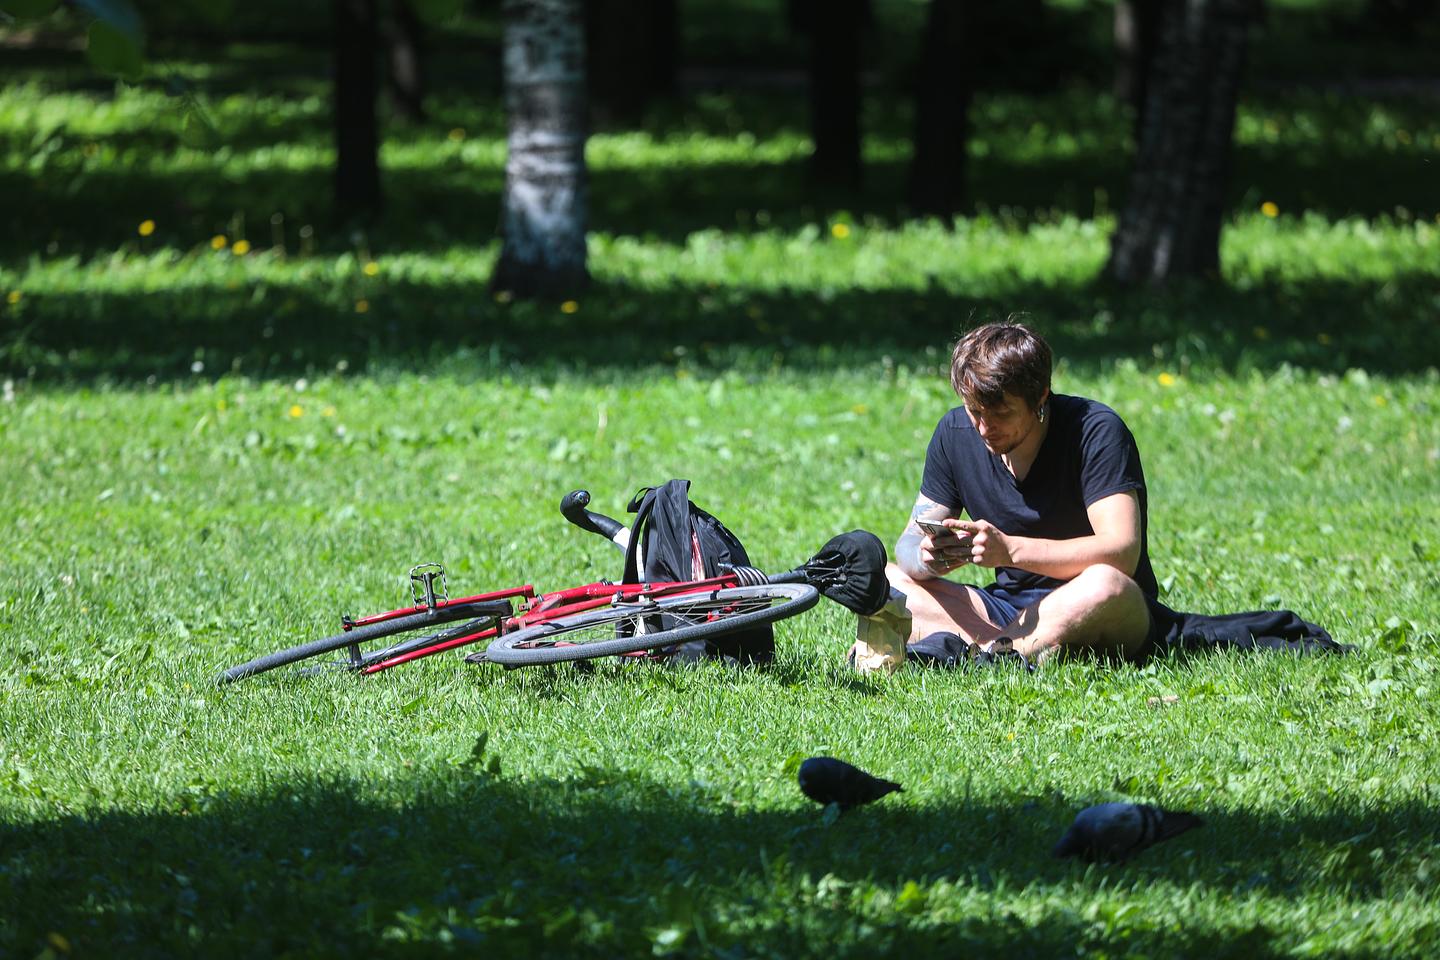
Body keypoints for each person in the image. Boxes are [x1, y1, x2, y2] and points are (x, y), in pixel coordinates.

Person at [889, 321, 1159, 663]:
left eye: (1002, 413)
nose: (985, 428)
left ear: (1040, 396)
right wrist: (926, 559)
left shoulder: (1095, 431)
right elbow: (907, 545)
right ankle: (1001, 651)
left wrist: (1010, 551)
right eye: (975, 411)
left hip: (1091, 602)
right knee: (886, 579)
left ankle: (980, 651)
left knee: (1106, 584)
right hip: (1004, 610)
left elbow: (1122, 553)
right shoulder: (954, 433)